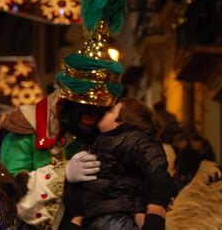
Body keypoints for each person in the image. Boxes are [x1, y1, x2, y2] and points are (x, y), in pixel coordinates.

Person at [0, 0, 150, 228]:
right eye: (87, 109)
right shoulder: (26, 124)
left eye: (100, 108)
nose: (93, 117)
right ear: (66, 100)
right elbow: (5, 189)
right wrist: (62, 174)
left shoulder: (112, 128)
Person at [64, 98, 175, 230]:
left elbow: (156, 168)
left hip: (116, 219)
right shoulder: (100, 142)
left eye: (110, 111)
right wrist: (77, 219)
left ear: (119, 122)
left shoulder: (130, 138)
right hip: (99, 217)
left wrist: (155, 212)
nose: (102, 112)